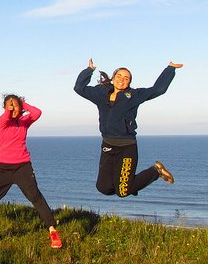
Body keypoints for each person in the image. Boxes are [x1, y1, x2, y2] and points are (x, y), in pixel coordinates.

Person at [0, 95, 62, 249]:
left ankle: (52, 231)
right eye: (9, 105)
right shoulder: (2, 122)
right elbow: (7, 116)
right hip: (1, 169)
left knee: (35, 197)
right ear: (5, 107)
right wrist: (11, 107)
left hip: (22, 167)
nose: (13, 107)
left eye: (15, 105)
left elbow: (37, 113)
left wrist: (22, 104)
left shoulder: (24, 122)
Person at [73, 58, 183, 197]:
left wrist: (170, 68)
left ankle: (156, 171)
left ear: (129, 82)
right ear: (113, 78)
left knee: (123, 192)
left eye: (126, 78)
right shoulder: (100, 94)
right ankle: (131, 184)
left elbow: (158, 89)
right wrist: (89, 70)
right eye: (119, 76)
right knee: (103, 188)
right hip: (107, 146)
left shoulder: (134, 95)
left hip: (127, 148)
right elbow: (79, 88)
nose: (122, 79)